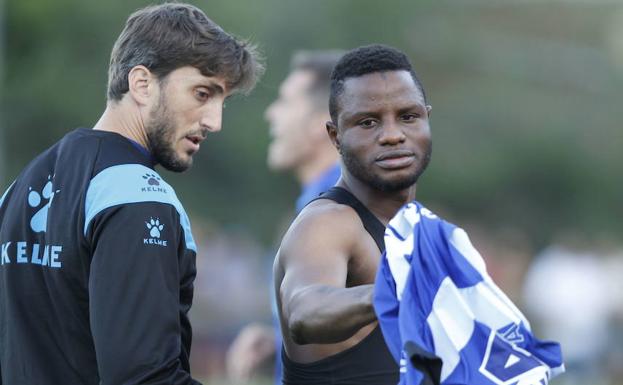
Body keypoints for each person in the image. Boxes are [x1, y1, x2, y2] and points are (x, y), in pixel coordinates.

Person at [0, 3, 262, 385]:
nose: (214, 121)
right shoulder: (136, 194)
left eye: (223, 102)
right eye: (203, 93)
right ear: (141, 83)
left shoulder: (19, 187)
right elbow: (144, 377)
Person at [273, 44, 432, 384]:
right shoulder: (326, 224)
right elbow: (305, 308)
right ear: (335, 135)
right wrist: (395, 290)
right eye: (368, 122)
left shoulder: (423, 231)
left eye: (408, 116)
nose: (392, 135)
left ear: (426, 118)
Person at [226, 50, 342, 384]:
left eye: (285, 101)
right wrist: (280, 345)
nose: (271, 114)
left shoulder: (337, 212)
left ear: (322, 123)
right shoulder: (318, 204)